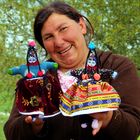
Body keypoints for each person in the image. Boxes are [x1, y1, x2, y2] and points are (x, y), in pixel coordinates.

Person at [4, 1, 140, 140]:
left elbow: (132, 130)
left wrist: (109, 118)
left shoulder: (118, 66)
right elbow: (11, 132)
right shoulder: (35, 79)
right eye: (49, 37)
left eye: (63, 29)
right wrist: (32, 125)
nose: (58, 42)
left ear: (81, 26)